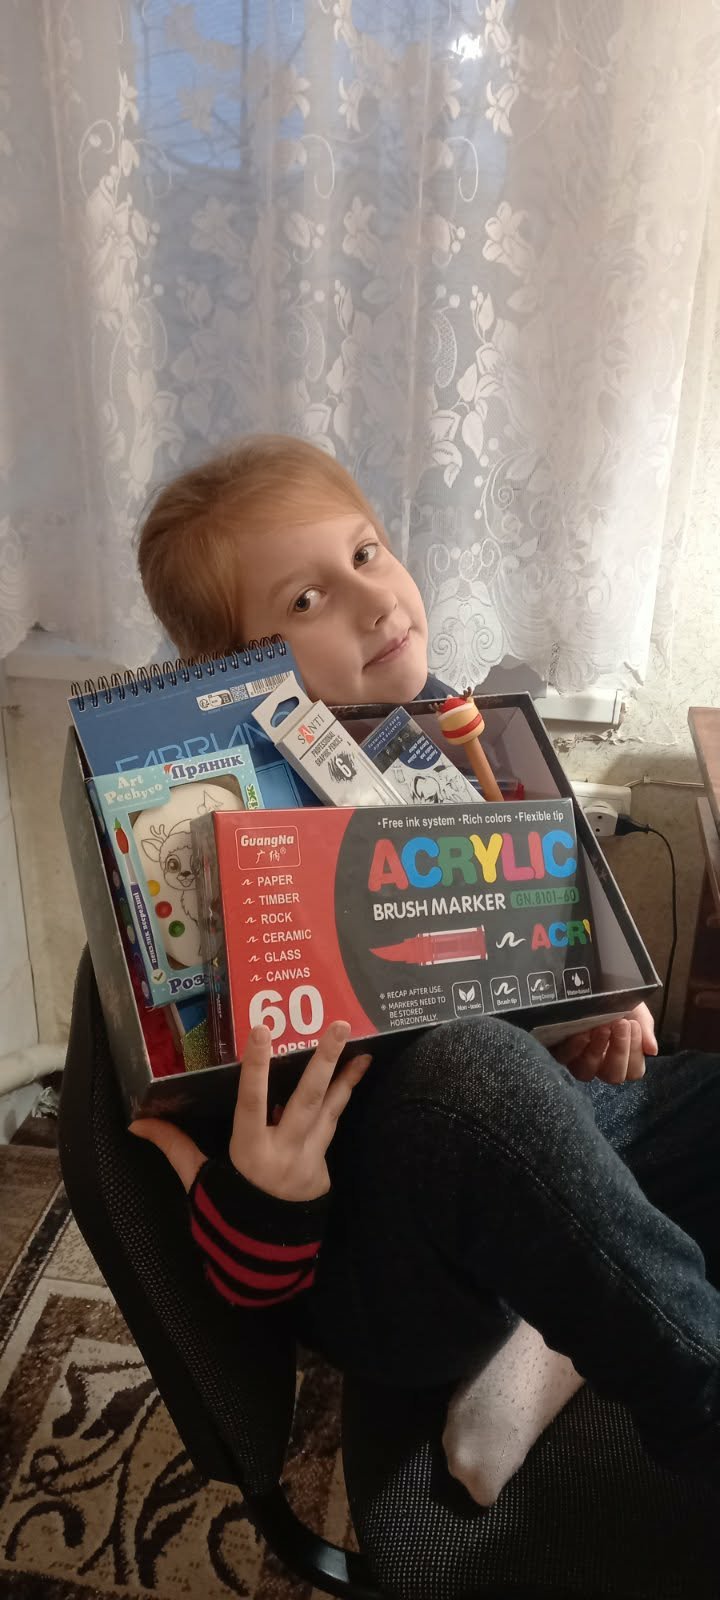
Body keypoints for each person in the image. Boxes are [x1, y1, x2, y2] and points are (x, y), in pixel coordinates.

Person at [132, 434, 720, 1483]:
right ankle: (689, 1390)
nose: (374, 601)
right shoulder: (219, 844)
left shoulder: (446, 733)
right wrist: (265, 1193)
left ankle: (556, 1326)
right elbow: (247, 1279)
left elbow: (531, 950)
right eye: (305, 599)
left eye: (366, 552)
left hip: (524, 1147)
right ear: (232, 671)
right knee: (471, 1076)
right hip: (391, 1271)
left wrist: (592, 1001)